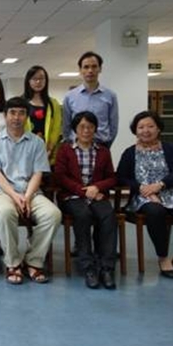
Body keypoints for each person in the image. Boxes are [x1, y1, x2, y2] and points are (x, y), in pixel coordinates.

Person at [0, 97, 61, 285]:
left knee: (53, 214)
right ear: (5, 116)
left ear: (26, 117)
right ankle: (13, 263)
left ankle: (33, 261)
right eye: (12, 113)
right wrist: (14, 195)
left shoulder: (37, 142)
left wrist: (26, 197)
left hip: (31, 192)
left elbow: (38, 173)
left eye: (21, 113)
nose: (16, 117)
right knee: (4, 213)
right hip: (3, 192)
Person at [117, 111, 173, 279]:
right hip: (143, 196)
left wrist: (159, 185)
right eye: (141, 127)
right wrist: (141, 188)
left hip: (170, 193)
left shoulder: (170, 149)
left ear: (158, 128)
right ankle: (163, 257)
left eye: (150, 126)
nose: (146, 130)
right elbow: (121, 177)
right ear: (135, 130)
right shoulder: (130, 152)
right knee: (155, 211)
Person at [54, 111, 118, 289]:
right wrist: (84, 191)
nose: (86, 131)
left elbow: (112, 177)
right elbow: (60, 176)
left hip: (96, 195)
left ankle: (106, 267)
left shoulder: (103, 151)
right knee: (83, 215)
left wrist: (97, 187)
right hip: (72, 196)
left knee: (108, 216)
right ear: (75, 129)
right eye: (82, 127)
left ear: (95, 129)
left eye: (90, 127)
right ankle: (88, 267)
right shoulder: (65, 149)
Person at [62, 51, 118, 148]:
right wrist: (70, 143)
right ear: (80, 70)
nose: (90, 70)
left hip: (101, 145)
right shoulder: (70, 96)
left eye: (94, 66)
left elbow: (113, 126)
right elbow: (66, 126)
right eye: (86, 67)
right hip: (76, 146)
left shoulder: (110, 96)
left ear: (100, 69)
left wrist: (106, 145)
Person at [22, 65, 62, 165]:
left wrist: (49, 148)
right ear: (28, 81)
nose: (38, 82)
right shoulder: (21, 102)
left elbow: (56, 127)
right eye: (34, 79)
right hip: (24, 151)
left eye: (41, 78)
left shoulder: (53, 103)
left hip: (47, 152)